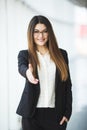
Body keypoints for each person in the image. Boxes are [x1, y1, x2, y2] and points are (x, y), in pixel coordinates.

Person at [16, 15, 72, 130]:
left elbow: (67, 86)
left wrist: (67, 113)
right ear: (31, 34)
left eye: (44, 31)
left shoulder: (62, 55)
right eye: (36, 32)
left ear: (49, 33)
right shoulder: (24, 55)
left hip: (56, 116)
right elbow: (21, 68)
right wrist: (28, 73)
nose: (40, 36)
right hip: (32, 116)